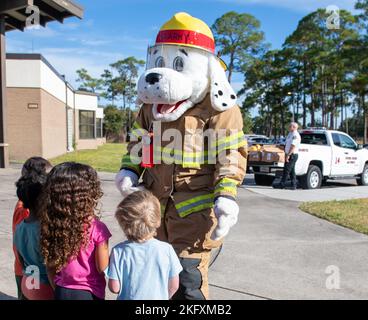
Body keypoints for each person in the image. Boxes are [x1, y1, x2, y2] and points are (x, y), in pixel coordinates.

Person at [39, 162, 111, 300]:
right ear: (87, 195)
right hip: (90, 292)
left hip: (61, 290)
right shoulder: (98, 228)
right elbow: (102, 267)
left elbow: (50, 267)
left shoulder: (51, 225)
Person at [108, 190, 183, 300]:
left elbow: (115, 288)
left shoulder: (119, 251)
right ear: (157, 219)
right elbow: (174, 285)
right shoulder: (166, 249)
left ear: (123, 222)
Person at [13, 157, 53, 300]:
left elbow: (20, 258)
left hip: (29, 280)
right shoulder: (45, 229)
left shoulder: (20, 228)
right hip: (44, 285)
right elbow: (51, 266)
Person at [278, 122, 301, 190]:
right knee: (292, 171)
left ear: (294, 127)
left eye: (290, 126)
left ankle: (282, 184)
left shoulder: (295, 135)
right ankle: (294, 185)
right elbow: (287, 144)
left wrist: (288, 155)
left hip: (292, 155)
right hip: (289, 154)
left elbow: (293, 146)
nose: (289, 127)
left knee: (286, 170)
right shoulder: (290, 134)